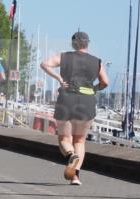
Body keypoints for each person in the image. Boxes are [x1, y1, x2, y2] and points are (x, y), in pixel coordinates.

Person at [40, 32, 109, 185]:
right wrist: (95, 89)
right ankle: (75, 177)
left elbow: (44, 64)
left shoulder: (64, 57)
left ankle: (71, 155)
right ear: (88, 44)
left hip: (66, 99)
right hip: (87, 102)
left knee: (65, 139)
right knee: (80, 140)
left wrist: (58, 78)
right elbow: (105, 82)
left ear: (73, 44)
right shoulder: (97, 61)